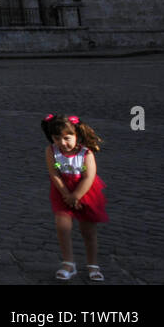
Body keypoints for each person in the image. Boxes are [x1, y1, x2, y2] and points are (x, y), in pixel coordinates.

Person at [42, 112, 108, 281]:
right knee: (62, 227)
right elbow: (54, 173)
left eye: (67, 138)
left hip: (85, 191)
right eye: (57, 138)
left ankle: (93, 264)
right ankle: (68, 263)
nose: (62, 143)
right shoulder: (51, 151)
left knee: (88, 231)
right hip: (62, 191)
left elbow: (89, 177)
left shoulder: (86, 153)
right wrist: (66, 195)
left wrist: (76, 196)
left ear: (76, 135)